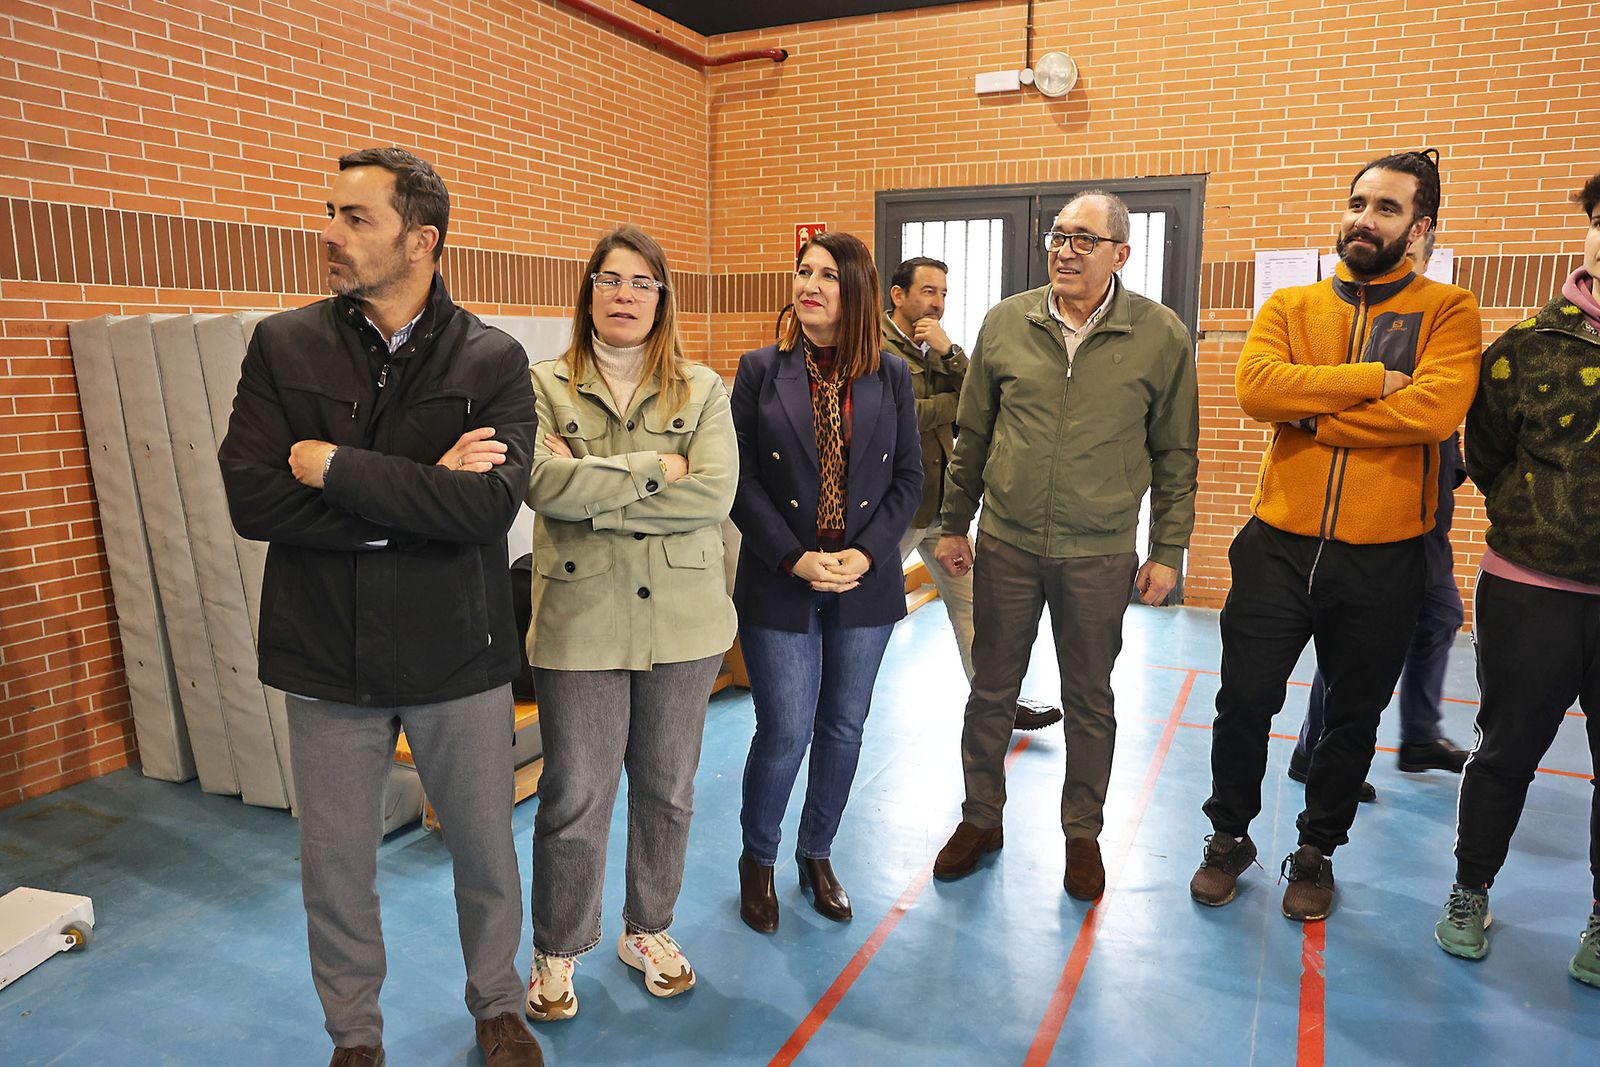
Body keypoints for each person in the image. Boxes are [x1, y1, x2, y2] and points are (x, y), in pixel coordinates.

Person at [218, 148, 543, 1067]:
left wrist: (340, 470)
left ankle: (498, 1007)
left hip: (458, 656)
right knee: (336, 871)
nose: (330, 233)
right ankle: (355, 1035)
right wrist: (414, 501)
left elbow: (487, 507)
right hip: (327, 659)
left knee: (484, 853)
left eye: (356, 218)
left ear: (421, 240)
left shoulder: (493, 358)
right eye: (333, 212)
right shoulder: (285, 346)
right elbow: (254, 501)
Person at [1190, 149, 1482, 923]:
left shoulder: (1449, 311)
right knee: (1243, 701)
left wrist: (1310, 410)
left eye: (1386, 208)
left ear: (1420, 226)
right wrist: (1369, 382)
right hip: (1277, 545)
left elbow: (1433, 412)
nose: (1364, 219)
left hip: (1386, 555)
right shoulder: (1291, 305)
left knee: (1352, 715)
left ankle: (1316, 848)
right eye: (1358, 203)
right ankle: (1228, 836)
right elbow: (1257, 388)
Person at [930, 190, 1200, 902]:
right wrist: (954, 523)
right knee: (991, 691)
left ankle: (1083, 833)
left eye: (1084, 239)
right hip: (1009, 544)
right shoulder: (1006, 323)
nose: (1065, 250)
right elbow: (973, 436)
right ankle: (981, 817)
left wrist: (1167, 548)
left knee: (1089, 699)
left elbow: (1175, 453)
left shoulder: (1159, 333)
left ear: (1121, 253)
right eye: (1058, 236)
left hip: (1100, 551)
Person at [521, 225, 737, 1021]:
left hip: (683, 621)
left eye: (641, 282)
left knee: (668, 788)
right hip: (580, 620)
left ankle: (648, 928)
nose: (623, 295)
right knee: (575, 791)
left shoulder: (703, 389)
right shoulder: (541, 383)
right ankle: (558, 944)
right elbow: (543, 486)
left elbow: (712, 496)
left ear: (661, 298)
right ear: (588, 295)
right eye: (609, 280)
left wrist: (597, 494)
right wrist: (656, 471)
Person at [1434, 173, 1600, 989]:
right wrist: (1547, 518)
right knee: (1503, 754)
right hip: (1532, 590)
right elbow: (1487, 456)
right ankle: (1470, 890)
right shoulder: (1527, 348)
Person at [730, 230, 922, 932]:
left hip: (862, 579)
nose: (809, 284)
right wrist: (794, 556)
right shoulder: (760, 370)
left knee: (843, 724)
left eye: (827, 276)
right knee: (784, 728)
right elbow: (741, 479)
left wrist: (870, 554)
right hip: (783, 574)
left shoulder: (890, 375)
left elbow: (909, 477)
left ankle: (817, 853)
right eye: (802, 271)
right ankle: (758, 858)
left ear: (857, 292)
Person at [1287, 228, 1470, 804]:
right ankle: (1316, 749)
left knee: (1439, 617)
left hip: (1429, 511)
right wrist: (1321, 421)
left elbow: (1431, 411)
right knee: (1353, 643)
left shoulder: (1442, 316)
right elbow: (1371, 404)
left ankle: (1416, 736)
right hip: (1375, 514)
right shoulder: (1363, 323)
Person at [882, 256, 1063, 733]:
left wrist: (951, 353)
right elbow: (896, 416)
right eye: (927, 292)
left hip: (942, 506)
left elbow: (986, 402)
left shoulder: (938, 348)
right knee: (864, 612)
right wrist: (955, 405)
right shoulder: (874, 348)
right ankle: (834, 698)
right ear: (898, 296)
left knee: (975, 611)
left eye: (942, 293)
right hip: (894, 508)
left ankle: (997, 708)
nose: (937, 302)